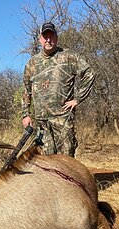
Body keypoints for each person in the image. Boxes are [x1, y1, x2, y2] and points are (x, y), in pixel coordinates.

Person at [22, 22, 95, 157]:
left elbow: (89, 74)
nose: (48, 40)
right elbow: (26, 90)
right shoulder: (32, 63)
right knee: (46, 161)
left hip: (63, 119)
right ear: (40, 39)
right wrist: (25, 114)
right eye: (45, 36)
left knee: (66, 160)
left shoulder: (68, 56)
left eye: (52, 36)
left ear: (56, 38)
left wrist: (77, 99)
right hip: (42, 122)